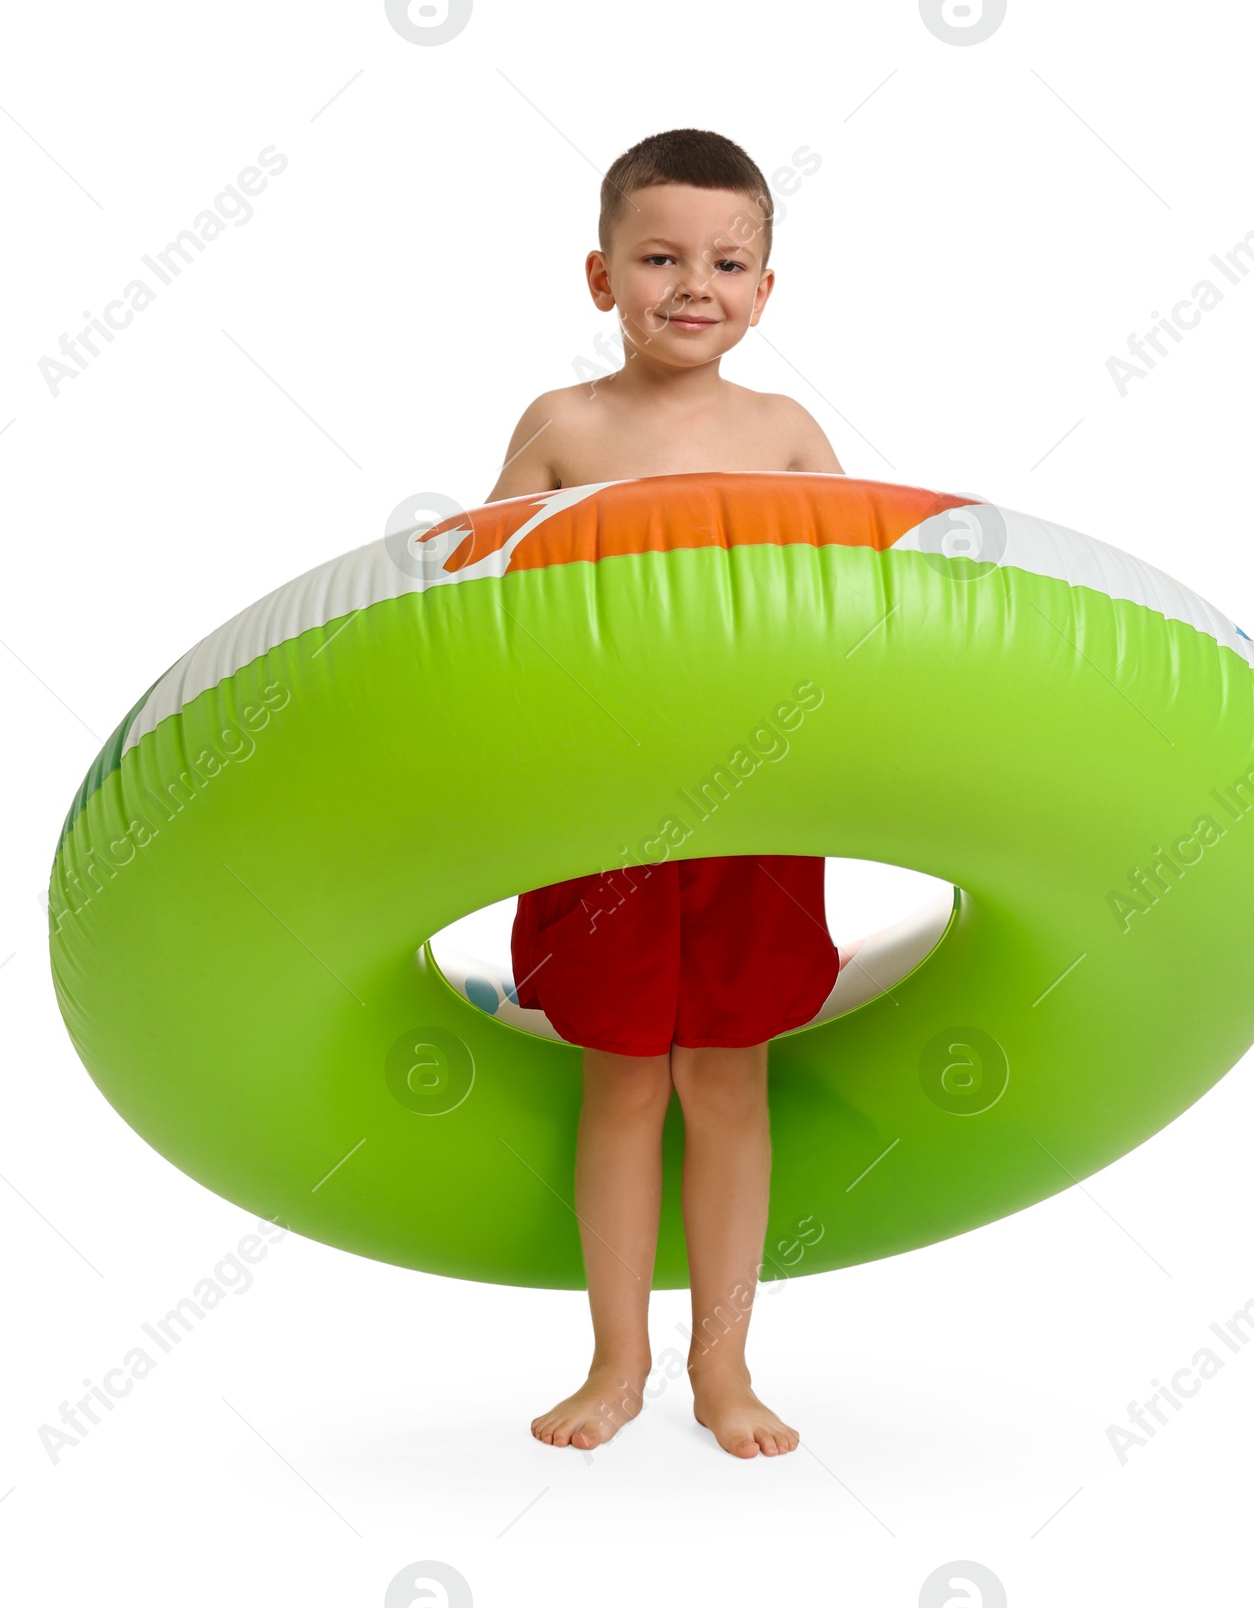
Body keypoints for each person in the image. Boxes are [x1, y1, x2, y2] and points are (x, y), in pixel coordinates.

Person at [488, 128, 856, 1460]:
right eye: (659, 257)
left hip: (758, 809)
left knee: (728, 1080)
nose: (692, 284)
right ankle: (617, 1361)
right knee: (624, 1084)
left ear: (764, 290)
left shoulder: (785, 433)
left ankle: (724, 1369)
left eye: (726, 261)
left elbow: (869, 610)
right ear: (602, 276)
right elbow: (483, 608)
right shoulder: (565, 427)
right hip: (602, 810)